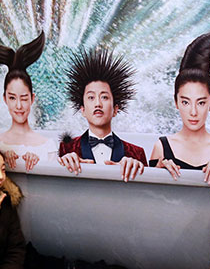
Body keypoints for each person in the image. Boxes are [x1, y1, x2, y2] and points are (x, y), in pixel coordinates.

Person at [149, 33, 210, 183]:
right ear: (176, 102)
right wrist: (157, 172)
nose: (193, 112)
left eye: (201, 103)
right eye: (185, 102)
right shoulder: (161, 148)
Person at [58, 48, 147, 182]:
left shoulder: (136, 153)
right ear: (82, 109)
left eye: (104, 97)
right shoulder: (67, 149)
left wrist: (138, 169)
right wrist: (63, 164)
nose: (98, 104)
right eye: (91, 97)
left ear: (115, 109)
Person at [0, 32, 57, 171]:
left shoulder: (48, 147)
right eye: (12, 98)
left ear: (32, 99)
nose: (19, 106)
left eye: (24, 98)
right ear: (4, 99)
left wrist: (39, 165)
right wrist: (1, 160)